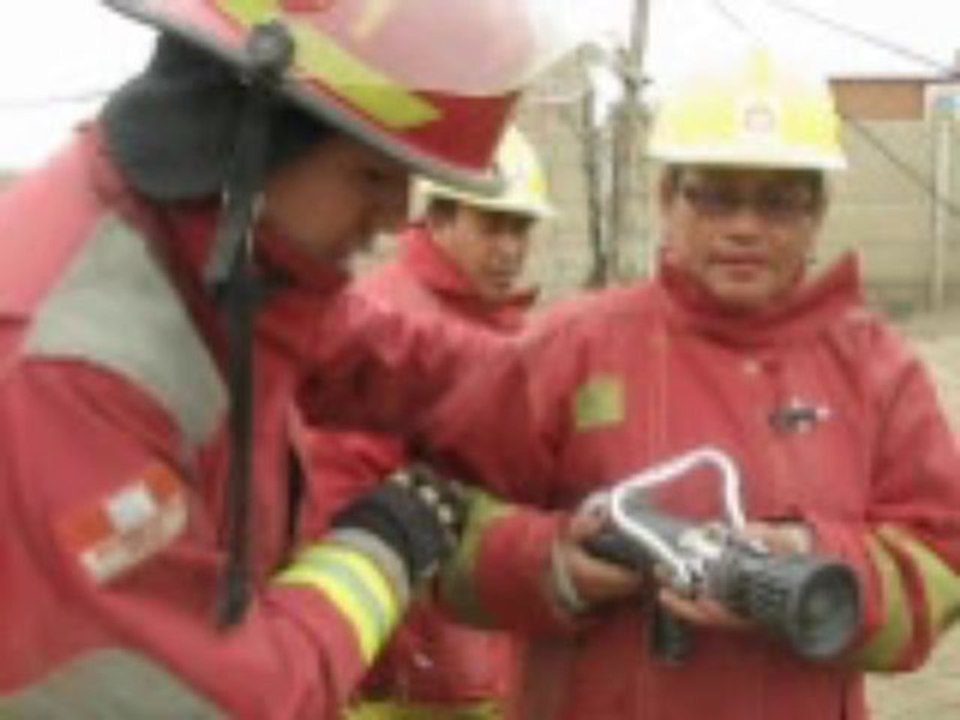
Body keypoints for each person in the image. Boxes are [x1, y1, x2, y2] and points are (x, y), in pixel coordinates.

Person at [0, 1, 594, 717]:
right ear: (255, 135)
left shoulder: (216, 248)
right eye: (372, 178)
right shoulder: (72, 370)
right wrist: (384, 544)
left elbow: (382, 356)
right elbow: (217, 700)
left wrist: (584, 386)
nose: (398, 216)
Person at [416, 46, 960, 720]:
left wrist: (808, 559)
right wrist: (552, 564)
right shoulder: (570, 348)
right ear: (667, 197)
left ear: (818, 213)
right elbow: (436, 525)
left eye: (779, 203)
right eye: (715, 195)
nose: (744, 227)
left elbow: (941, 565)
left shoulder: (879, 371)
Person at [298, 126, 553, 720]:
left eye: (521, 229)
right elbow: (339, 510)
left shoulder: (513, 334)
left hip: (489, 669)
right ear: (437, 219)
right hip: (401, 685)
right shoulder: (389, 328)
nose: (510, 249)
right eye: (493, 225)